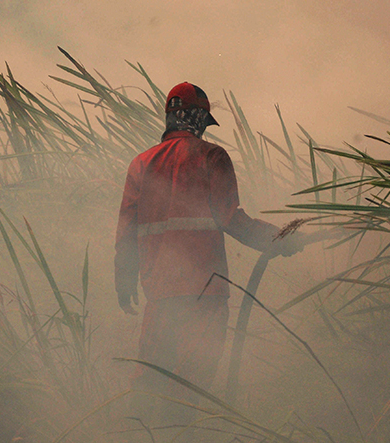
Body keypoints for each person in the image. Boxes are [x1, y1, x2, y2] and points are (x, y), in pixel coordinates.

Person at [114, 82, 301, 431]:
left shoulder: (140, 164)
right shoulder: (211, 157)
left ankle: (136, 436)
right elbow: (230, 218)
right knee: (192, 383)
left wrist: (124, 279)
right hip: (205, 292)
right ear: (198, 119)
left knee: (151, 380)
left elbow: (127, 229)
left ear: (170, 117)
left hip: (160, 292)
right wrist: (280, 239)